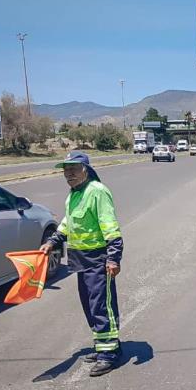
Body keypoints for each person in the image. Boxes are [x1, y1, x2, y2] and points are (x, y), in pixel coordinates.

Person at [40, 151, 124, 377]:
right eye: (66, 171)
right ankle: (104, 345)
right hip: (79, 259)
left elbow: (110, 226)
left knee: (101, 305)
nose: (69, 174)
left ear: (85, 170)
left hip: (98, 258)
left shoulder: (97, 192)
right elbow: (68, 222)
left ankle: (110, 354)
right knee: (89, 305)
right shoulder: (74, 194)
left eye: (74, 170)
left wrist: (113, 257)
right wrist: (52, 241)